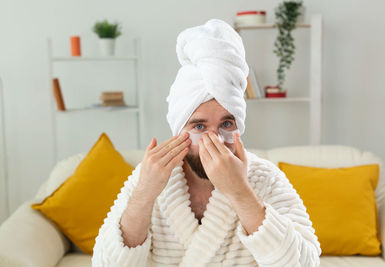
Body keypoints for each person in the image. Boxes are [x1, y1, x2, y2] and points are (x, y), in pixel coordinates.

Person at [92, 18, 321, 267]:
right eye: (199, 126)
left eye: (226, 124)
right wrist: (144, 195)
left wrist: (240, 193)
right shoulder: (149, 177)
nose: (215, 140)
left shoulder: (265, 178)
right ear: (179, 130)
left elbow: (306, 264)